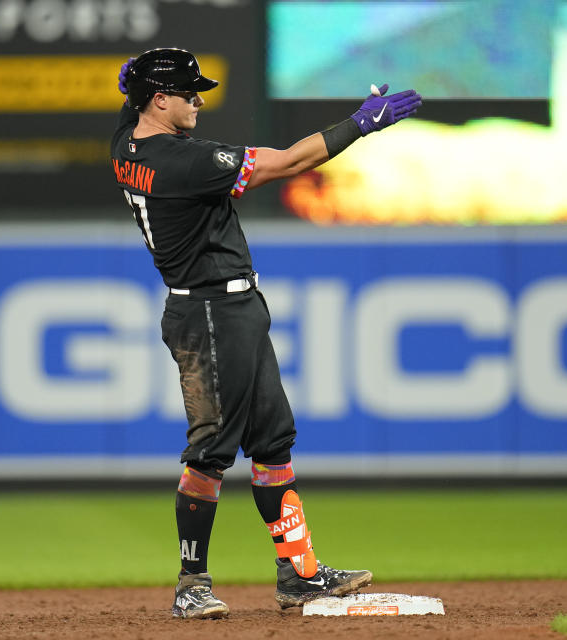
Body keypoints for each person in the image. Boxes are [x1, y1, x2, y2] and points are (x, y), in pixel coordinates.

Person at [110, 48, 422, 619]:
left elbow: (131, 94)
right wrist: (358, 124)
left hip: (233, 307)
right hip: (207, 311)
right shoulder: (185, 162)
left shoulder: (127, 143)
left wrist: (137, 75)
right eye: (188, 92)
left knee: (273, 442)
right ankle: (191, 584)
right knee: (210, 452)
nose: (198, 100)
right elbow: (285, 162)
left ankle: (299, 574)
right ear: (159, 99)